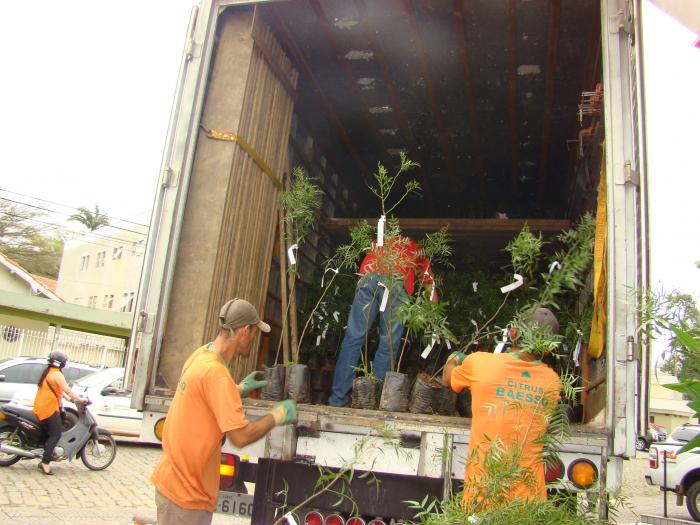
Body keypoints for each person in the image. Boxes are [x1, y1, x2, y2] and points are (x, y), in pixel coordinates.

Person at [150, 298, 297, 525]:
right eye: (255, 333)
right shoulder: (217, 376)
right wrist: (276, 416)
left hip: (173, 482)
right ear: (245, 331)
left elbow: (202, 394)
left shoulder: (201, 354)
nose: (254, 340)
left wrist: (238, 389)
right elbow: (240, 437)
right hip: (186, 496)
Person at [442, 307, 562, 508]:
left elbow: (448, 379)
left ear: (513, 333)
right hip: (528, 504)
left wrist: (455, 357)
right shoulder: (553, 382)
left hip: (483, 498)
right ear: (549, 348)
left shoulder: (480, 363)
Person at [329, 235, 435, 407]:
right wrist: (433, 317)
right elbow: (430, 288)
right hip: (395, 282)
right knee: (388, 345)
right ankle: (373, 402)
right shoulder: (418, 252)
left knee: (353, 339)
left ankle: (337, 400)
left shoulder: (381, 242)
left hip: (368, 277)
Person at [33, 350, 88, 475]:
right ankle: (45, 463)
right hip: (49, 408)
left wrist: (69, 399)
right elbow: (67, 390)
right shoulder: (57, 375)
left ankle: (47, 452)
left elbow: (57, 390)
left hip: (43, 406)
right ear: (61, 363)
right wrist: (80, 399)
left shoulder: (49, 372)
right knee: (56, 434)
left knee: (51, 432)